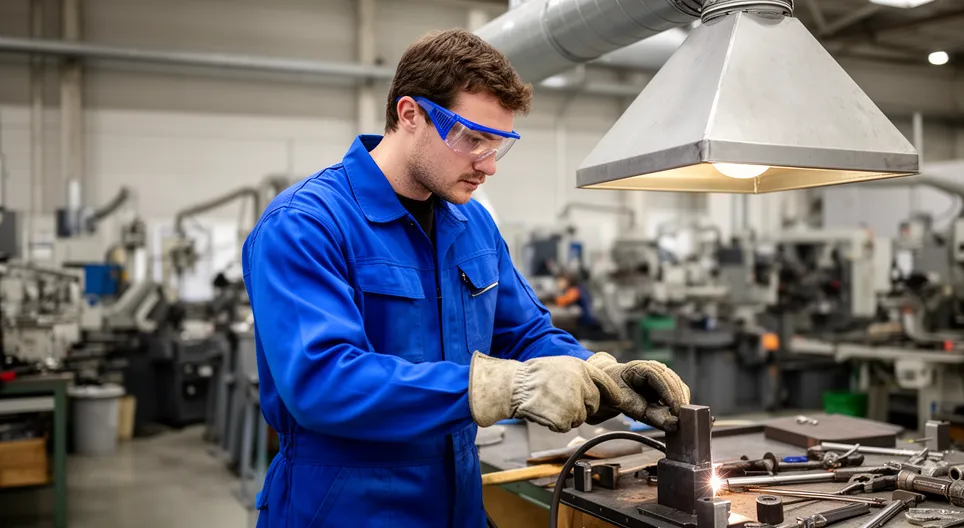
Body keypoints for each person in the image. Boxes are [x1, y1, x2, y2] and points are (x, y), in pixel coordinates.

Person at [242, 29, 691, 527]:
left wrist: (601, 374)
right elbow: (323, 382)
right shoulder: (306, 224)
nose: (488, 165)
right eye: (472, 139)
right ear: (410, 114)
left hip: (458, 503)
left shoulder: (472, 223)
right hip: (345, 508)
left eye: (498, 144)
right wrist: (501, 388)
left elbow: (524, 334)